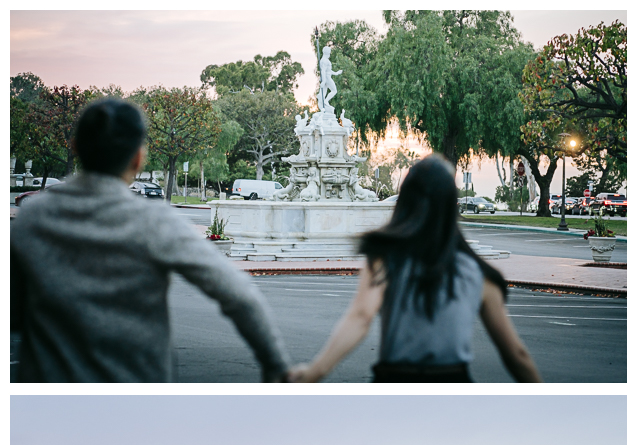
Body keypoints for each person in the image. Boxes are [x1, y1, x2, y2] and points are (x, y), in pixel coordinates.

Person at [10, 98, 290, 383]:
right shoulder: (154, 221)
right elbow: (240, 295)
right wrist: (276, 366)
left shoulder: (33, 218)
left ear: (76, 147)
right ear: (137, 158)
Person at [287, 155, 542, 383]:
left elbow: (361, 317)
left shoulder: (385, 258)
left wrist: (314, 372)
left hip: (395, 380)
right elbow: (515, 354)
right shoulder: (480, 274)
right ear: (450, 204)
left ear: (405, 200)